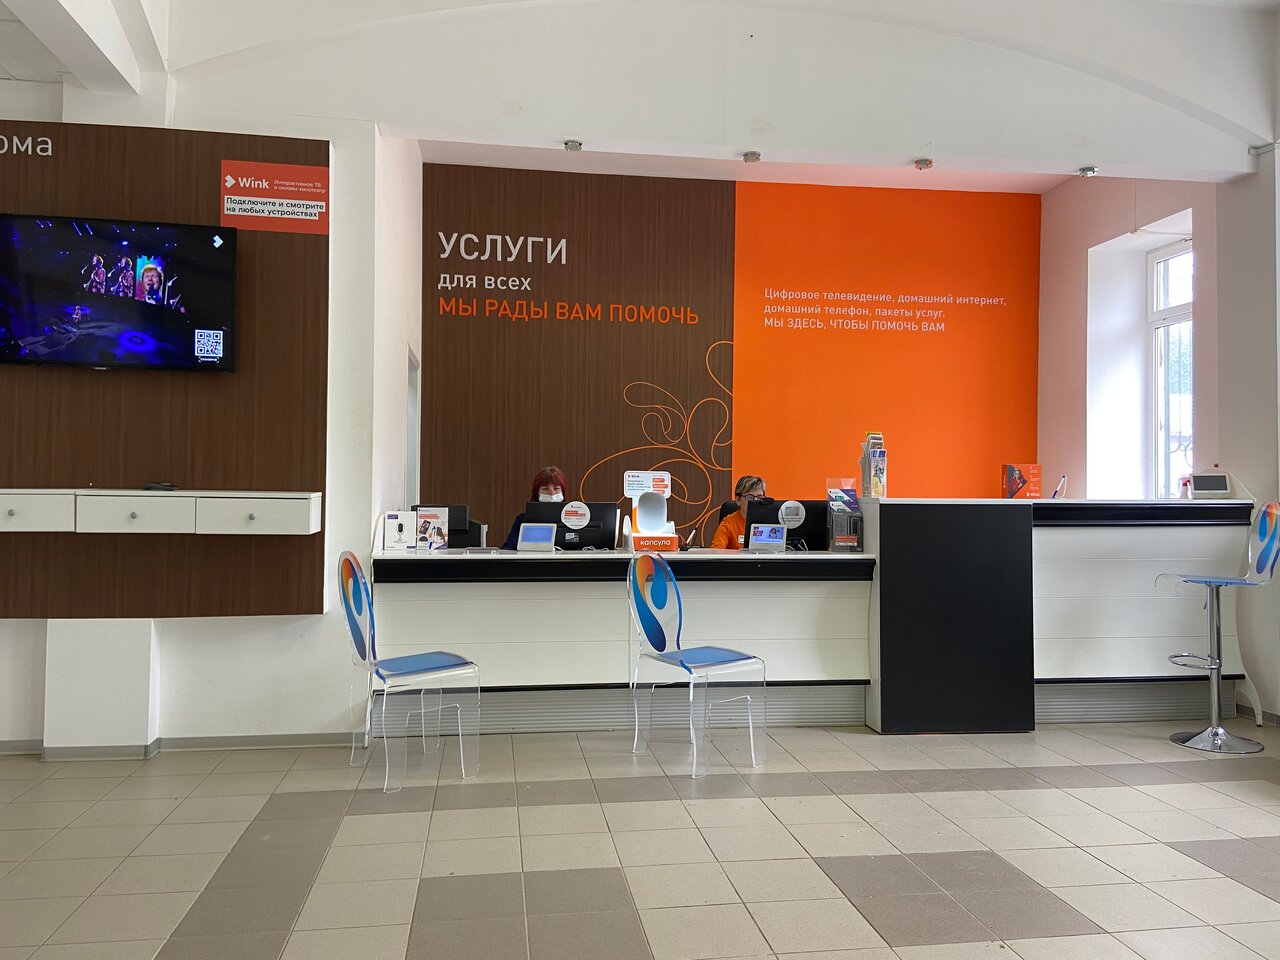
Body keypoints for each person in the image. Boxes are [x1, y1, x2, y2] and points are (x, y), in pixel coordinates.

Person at [501, 466, 570, 550]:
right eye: (545, 489)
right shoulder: (523, 519)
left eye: (556, 488)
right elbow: (507, 549)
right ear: (537, 493)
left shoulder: (574, 520)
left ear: (563, 491)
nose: (552, 493)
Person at [710, 474, 766, 550]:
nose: (755, 501)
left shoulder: (769, 521)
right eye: (749, 497)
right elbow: (716, 551)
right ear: (738, 500)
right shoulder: (729, 523)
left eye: (759, 497)